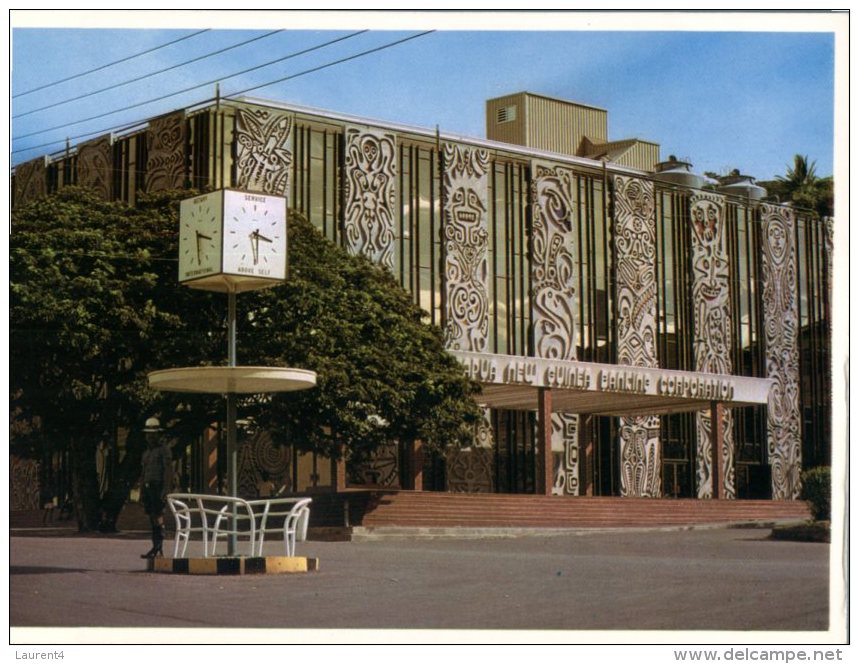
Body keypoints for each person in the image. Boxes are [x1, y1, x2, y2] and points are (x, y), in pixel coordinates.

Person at [139, 417, 172, 559]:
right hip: (148, 488)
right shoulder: (146, 452)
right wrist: (141, 491)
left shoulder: (163, 450)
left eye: (153, 434)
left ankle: (159, 546)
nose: (150, 436)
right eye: (148, 434)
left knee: (158, 516)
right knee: (152, 517)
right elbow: (143, 473)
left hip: (158, 487)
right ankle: (155, 546)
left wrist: (166, 489)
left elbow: (168, 471)